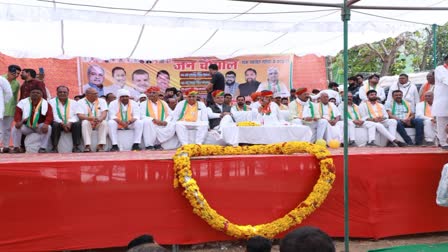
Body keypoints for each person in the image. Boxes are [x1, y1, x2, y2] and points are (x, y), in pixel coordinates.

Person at [12, 87, 53, 153]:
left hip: (39, 127)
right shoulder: (23, 102)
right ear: (30, 94)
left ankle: (43, 148)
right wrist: (19, 121)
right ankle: (16, 147)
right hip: (27, 127)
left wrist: (46, 123)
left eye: (38, 93)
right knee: (15, 128)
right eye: (33, 92)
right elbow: (17, 113)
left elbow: (50, 116)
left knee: (49, 127)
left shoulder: (46, 104)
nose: (35, 94)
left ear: (41, 95)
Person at [48, 86, 82, 153]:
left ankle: (76, 147)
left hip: (70, 123)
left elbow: (76, 115)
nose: (62, 93)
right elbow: (53, 115)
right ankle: (54, 147)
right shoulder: (51, 102)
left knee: (77, 124)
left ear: (68, 93)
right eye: (60, 92)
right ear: (57, 93)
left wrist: (70, 122)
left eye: (64, 92)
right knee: (55, 124)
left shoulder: (74, 102)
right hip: (58, 123)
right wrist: (62, 123)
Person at [76, 87, 108, 152]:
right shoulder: (80, 102)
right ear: (87, 94)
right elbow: (80, 115)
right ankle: (87, 146)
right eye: (94, 94)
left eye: (97, 93)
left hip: (98, 121)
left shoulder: (102, 101)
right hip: (88, 121)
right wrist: (89, 118)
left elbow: (104, 113)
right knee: (84, 122)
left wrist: (100, 119)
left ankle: (100, 145)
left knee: (104, 123)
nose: (97, 95)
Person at [1, 65, 21, 152]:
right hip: (1, 107)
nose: (16, 75)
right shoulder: (1, 79)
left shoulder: (16, 83)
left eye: (18, 74)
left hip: (10, 109)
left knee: (7, 129)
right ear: (8, 72)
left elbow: (15, 97)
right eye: (14, 73)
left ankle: (5, 146)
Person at [433, 56, 448, 150]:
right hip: (442, 99)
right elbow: (444, 79)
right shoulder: (440, 69)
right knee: (441, 122)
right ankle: (443, 142)